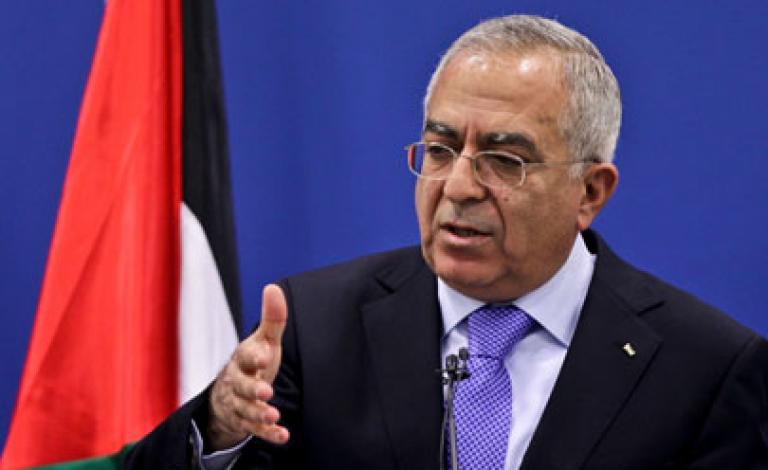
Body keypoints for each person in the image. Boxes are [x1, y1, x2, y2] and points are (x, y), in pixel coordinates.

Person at [127, 15, 768, 469]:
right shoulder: (314, 328)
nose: (458, 186)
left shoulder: (706, 369)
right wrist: (220, 425)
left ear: (590, 191)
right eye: (439, 149)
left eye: (504, 160)